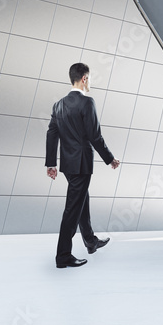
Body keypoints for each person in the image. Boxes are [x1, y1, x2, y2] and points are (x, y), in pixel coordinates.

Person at [45, 62, 120, 268]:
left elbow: (52, 133)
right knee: (72, 209)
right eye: (90, 78)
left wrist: (51, 163)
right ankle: (63, 256)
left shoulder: (58, 104)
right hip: (82, 164)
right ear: (84, 78)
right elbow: (94, 136)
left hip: (68, 165)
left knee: (81, 200)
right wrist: (110, 158)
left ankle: (90, 240)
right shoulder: (87, 103)